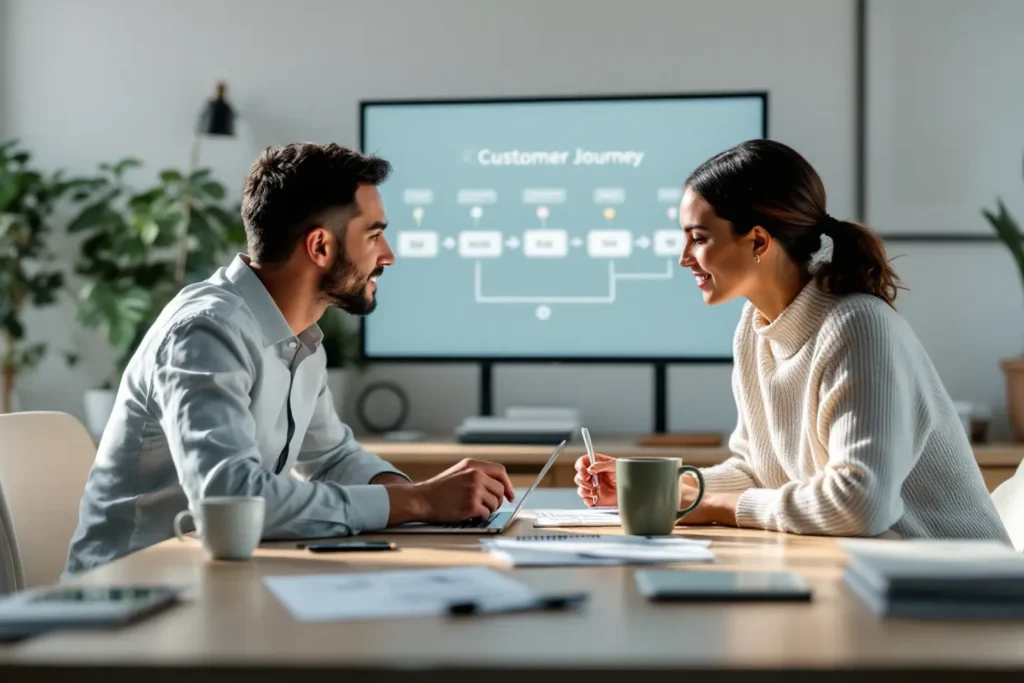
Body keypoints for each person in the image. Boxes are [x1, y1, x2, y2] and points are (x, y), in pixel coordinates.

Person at [66, 143, 514, 574]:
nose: (388, 256)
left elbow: (332, 458)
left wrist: (422, 497)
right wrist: (418, 503)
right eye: (374, 235)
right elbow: (229, 498)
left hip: (212, 578)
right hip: (134, 599)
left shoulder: (299, 338)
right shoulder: (204, 331)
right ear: (320, 247)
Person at [575, 139, 1010, 542]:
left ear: (759, 241)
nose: (684, 257)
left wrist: (713, 506)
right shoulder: (755, 326)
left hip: (960, 594)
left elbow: (861, 503)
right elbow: (758, 471)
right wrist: (667, 489)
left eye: (699, 238)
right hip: (872, 574)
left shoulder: (858, 325)